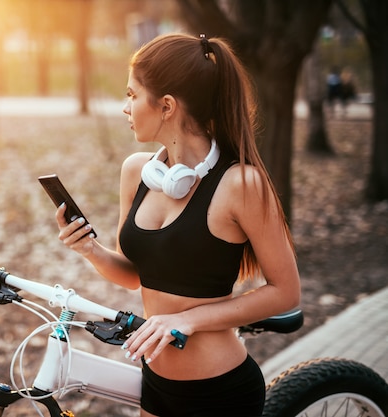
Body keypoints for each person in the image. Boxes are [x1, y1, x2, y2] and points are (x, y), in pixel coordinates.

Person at [54, 33, 300, 417]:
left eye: (133, 95)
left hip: (219, 392)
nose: (125, 107)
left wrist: (187, 320)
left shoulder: (241, 184)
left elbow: (285, 292)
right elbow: (136, 275)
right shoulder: (137, 172)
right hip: (156, 384)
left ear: (166, 105)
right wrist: (89, 250)